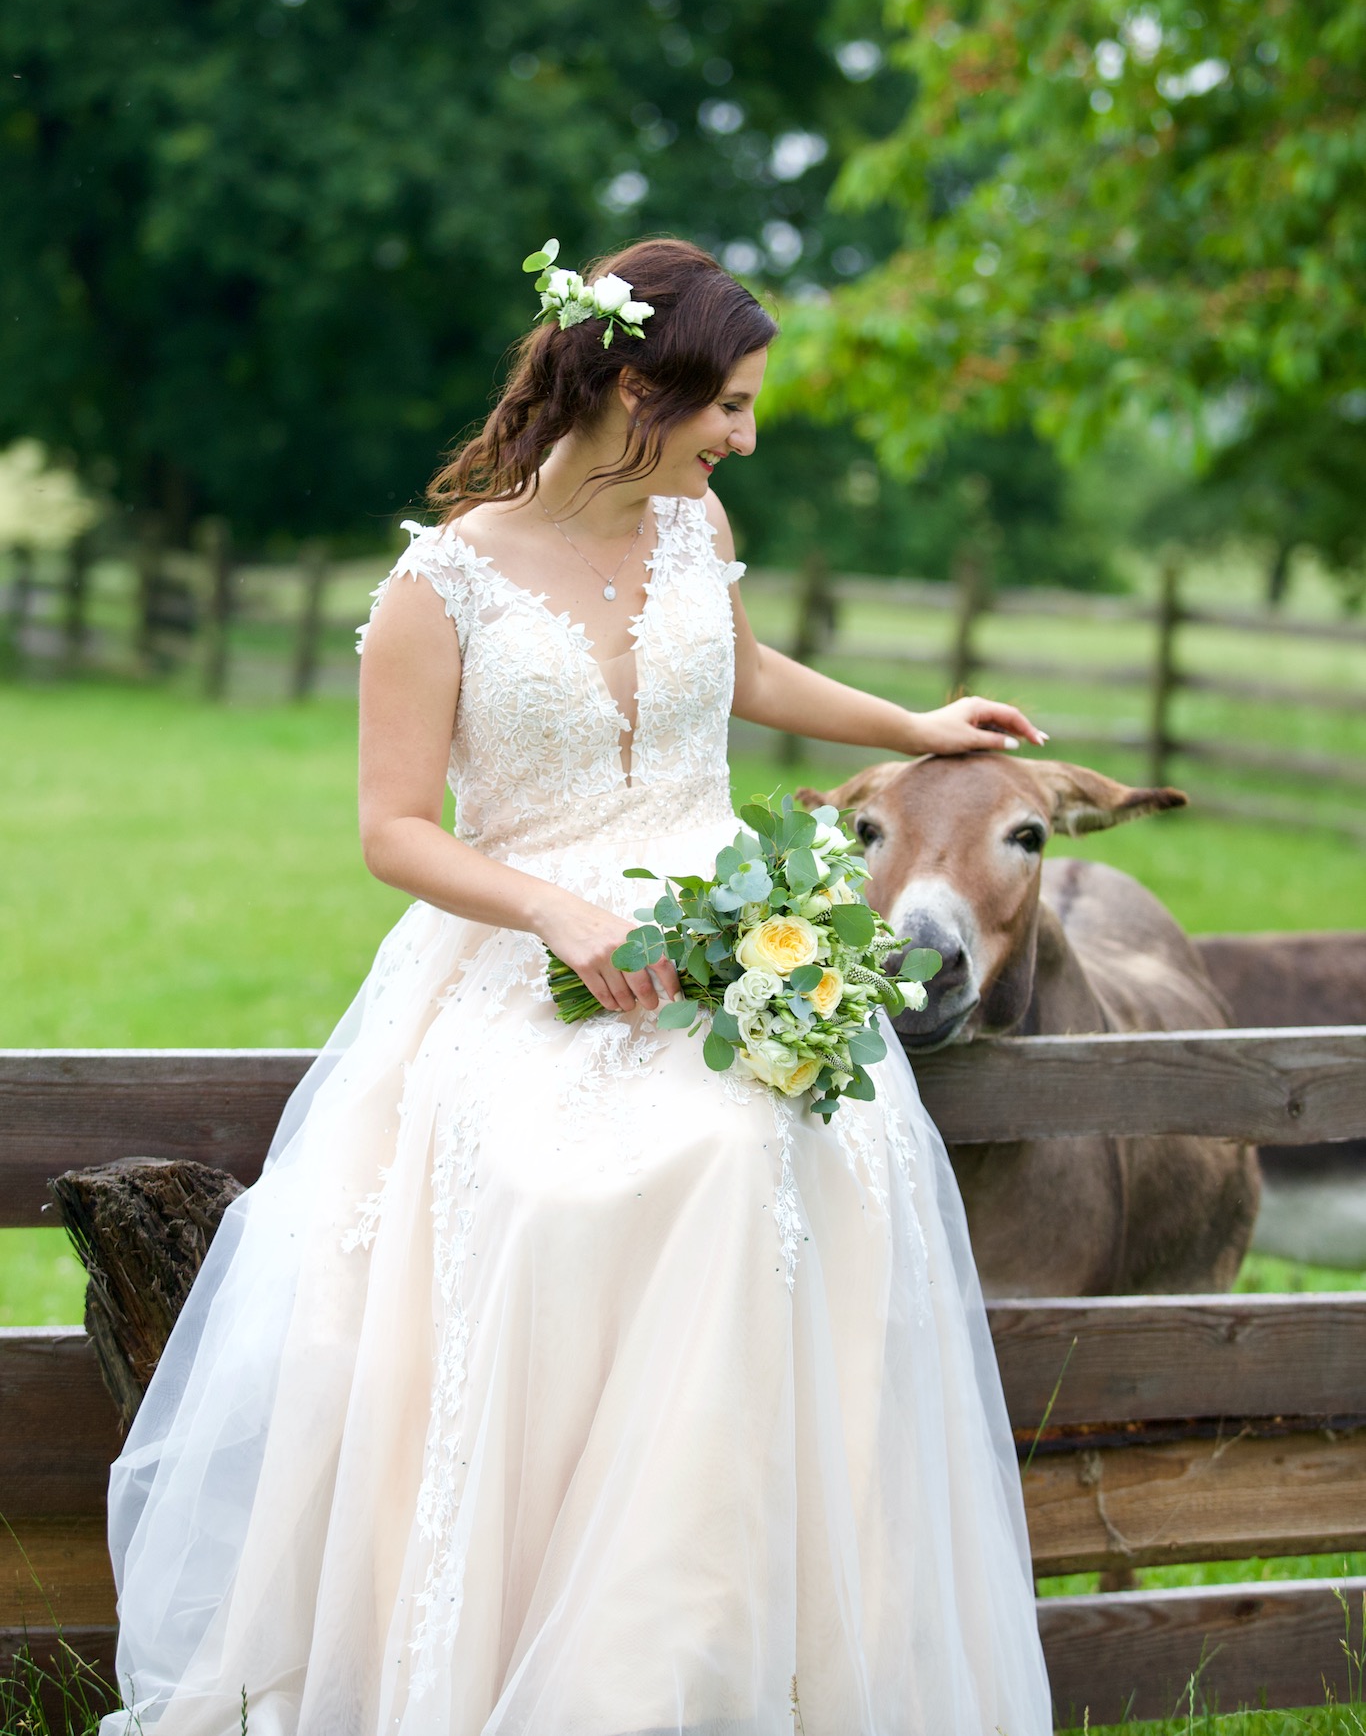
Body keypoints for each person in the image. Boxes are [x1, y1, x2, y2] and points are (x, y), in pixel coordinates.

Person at [102, 238, 1053, 1735]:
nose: (746, 436)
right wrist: (554, 909)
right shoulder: (440, 584)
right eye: (728, 405)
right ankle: (565, 1664)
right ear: (631, 388)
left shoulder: (697, 525)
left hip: (732, 944)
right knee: (614, 1185)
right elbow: (393, 829)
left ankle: (754, 1663)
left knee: (772, 1156)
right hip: (521, 961)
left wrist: (915, 722)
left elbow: (747, 675)